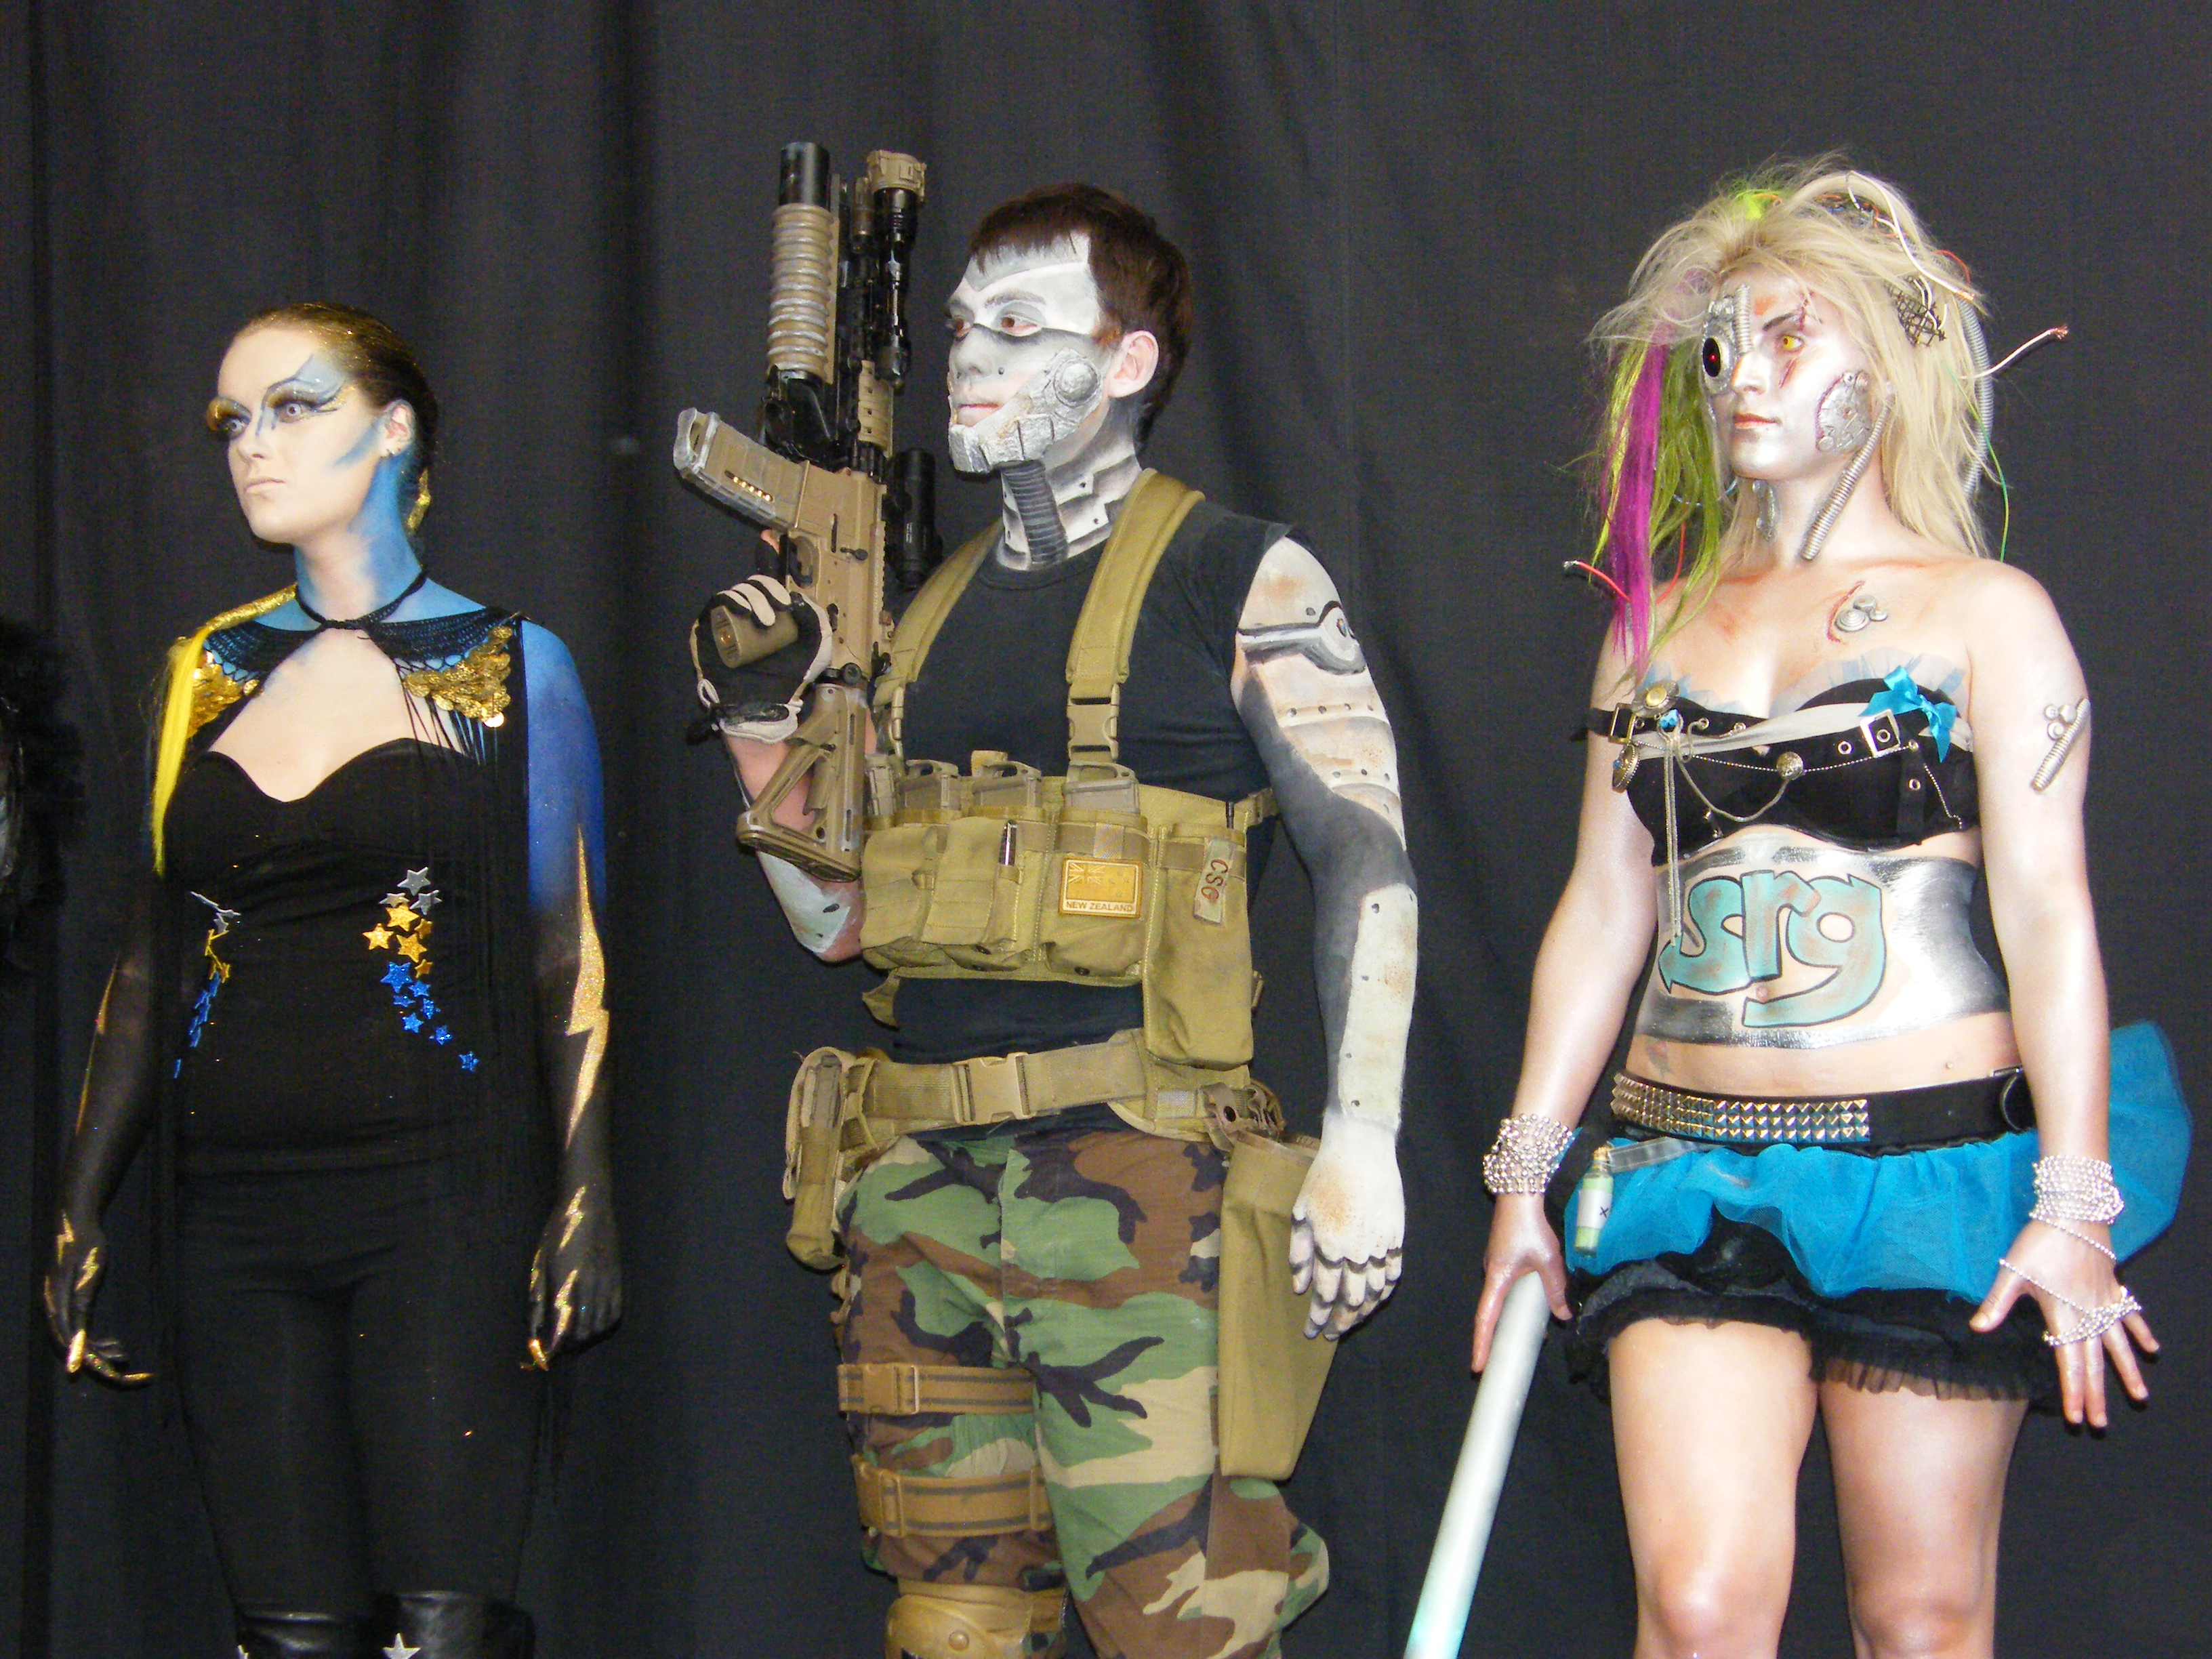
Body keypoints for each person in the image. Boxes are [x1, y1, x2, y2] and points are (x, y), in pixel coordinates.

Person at [1469, 163, 2187, 1659]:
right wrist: (1524, 1172)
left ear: (1895, 356)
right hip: (1686, 1169)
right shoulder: (1652, 625)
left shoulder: (1987, 614)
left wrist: (2074, 1202)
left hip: (1931, 1172)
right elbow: (1603, 905)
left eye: (1792, 337)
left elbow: (2049, 910)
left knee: (1919, 1621)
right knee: (1701, 1609)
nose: (1745, 375)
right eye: (1722, 343)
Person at [692, 184, 1416, 1659]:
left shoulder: (1240, 576)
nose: (972, 355)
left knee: (1182, 1626)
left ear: (1129, 362)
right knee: (950, 1626)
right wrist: (762, 727)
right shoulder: (924, 616)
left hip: (1143, 1189)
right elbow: (840, 923)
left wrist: (1365, 1141)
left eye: (1022, 328)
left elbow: (1368, 863)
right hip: (919, 1188)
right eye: (967, 325)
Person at [45, 302, 619, 1659]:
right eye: (232, 422)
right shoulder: (206, 674)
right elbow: (150, 956)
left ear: (395, 428)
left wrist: (589, 1187)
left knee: (440, 1626)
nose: (253, 445)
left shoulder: (508, 670)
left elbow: (569, 944)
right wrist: (78, 1200)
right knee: (285, 1630)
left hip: (440, 1202)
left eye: (294, 407)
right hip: (229, 1213)